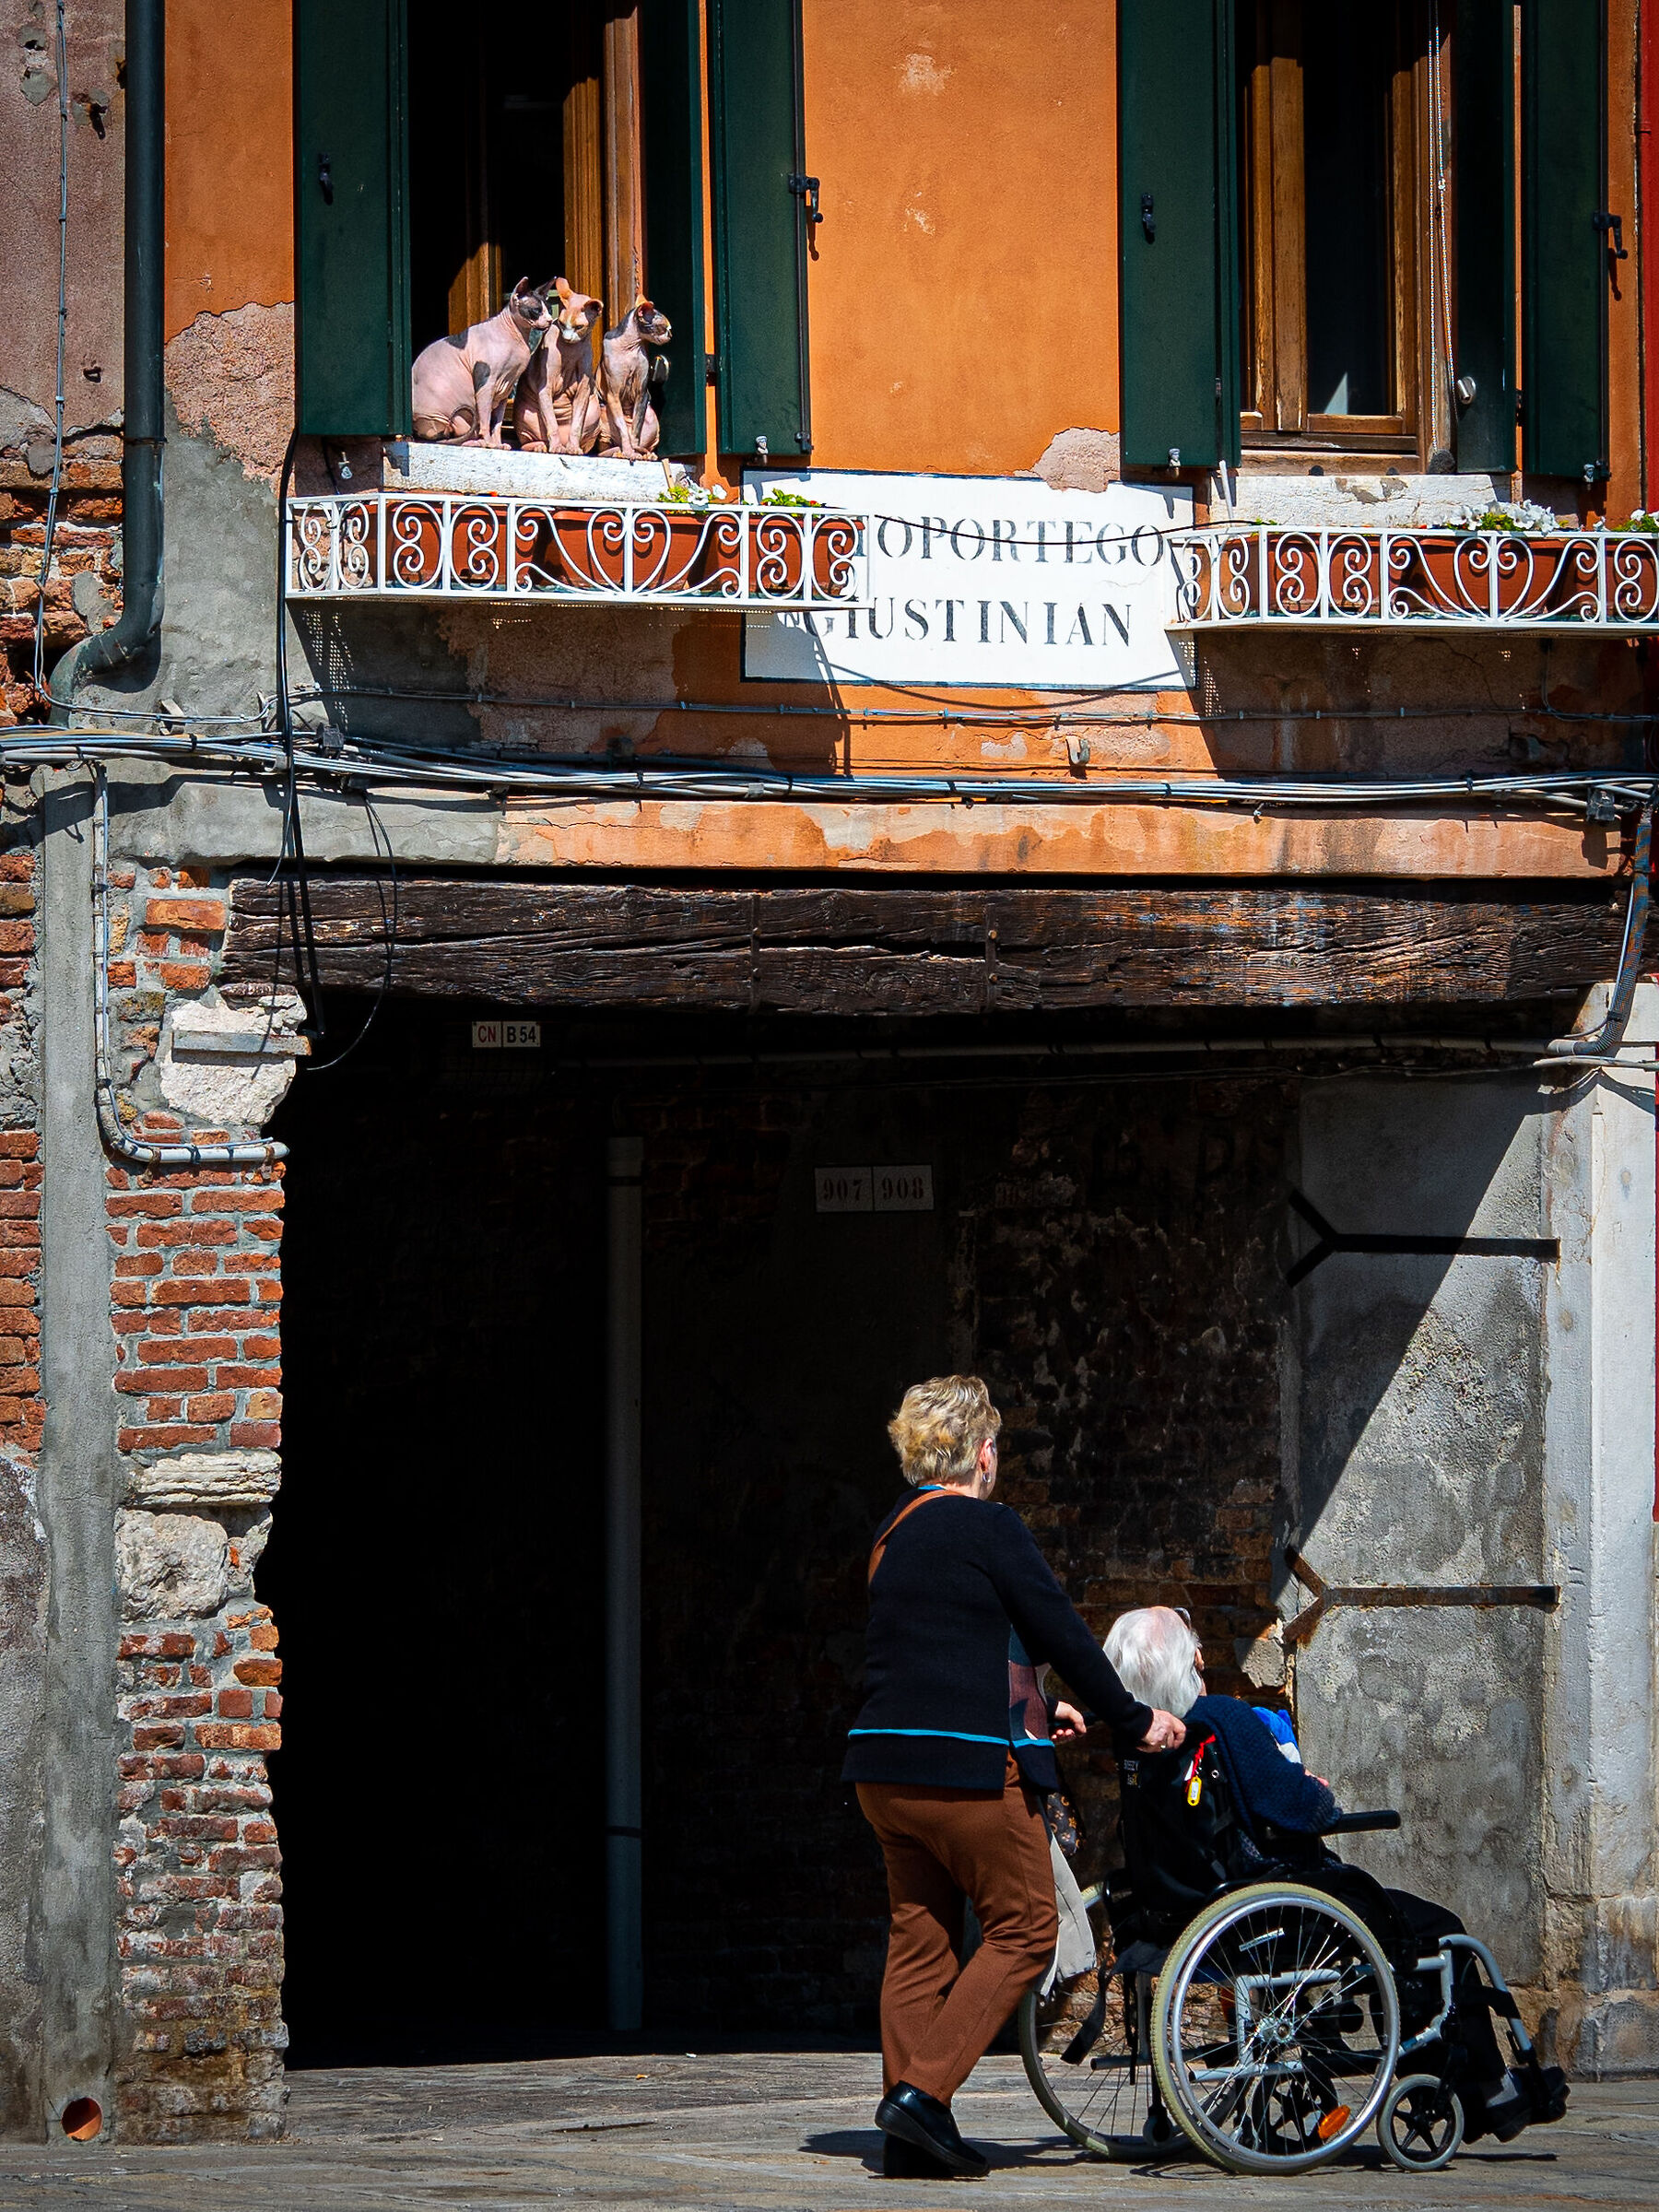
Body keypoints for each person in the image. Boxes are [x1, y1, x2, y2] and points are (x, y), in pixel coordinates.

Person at [844, 1376, 1186, 2179]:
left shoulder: (891, 1532)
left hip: (883, 1770)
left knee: (920, 1940)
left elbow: (949, 1648)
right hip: (963, 1770)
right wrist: (1135, 1720)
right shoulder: (989, 1525)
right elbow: (1063, 1634)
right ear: (985, 1452)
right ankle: (922, 2097)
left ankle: (908, 2138)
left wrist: (1043, 1708)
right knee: (1028, 1925)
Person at [1102, 1605, 1553, 2145]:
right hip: (1267, 1911)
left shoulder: (1131, 1743)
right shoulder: (1222, 1720)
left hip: (1175, 1915)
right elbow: (1303, 1811)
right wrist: (1313, 1788)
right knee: (1441, 1931)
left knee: (1405, 1923)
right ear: (1187, 1663)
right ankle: (1489, 2092)